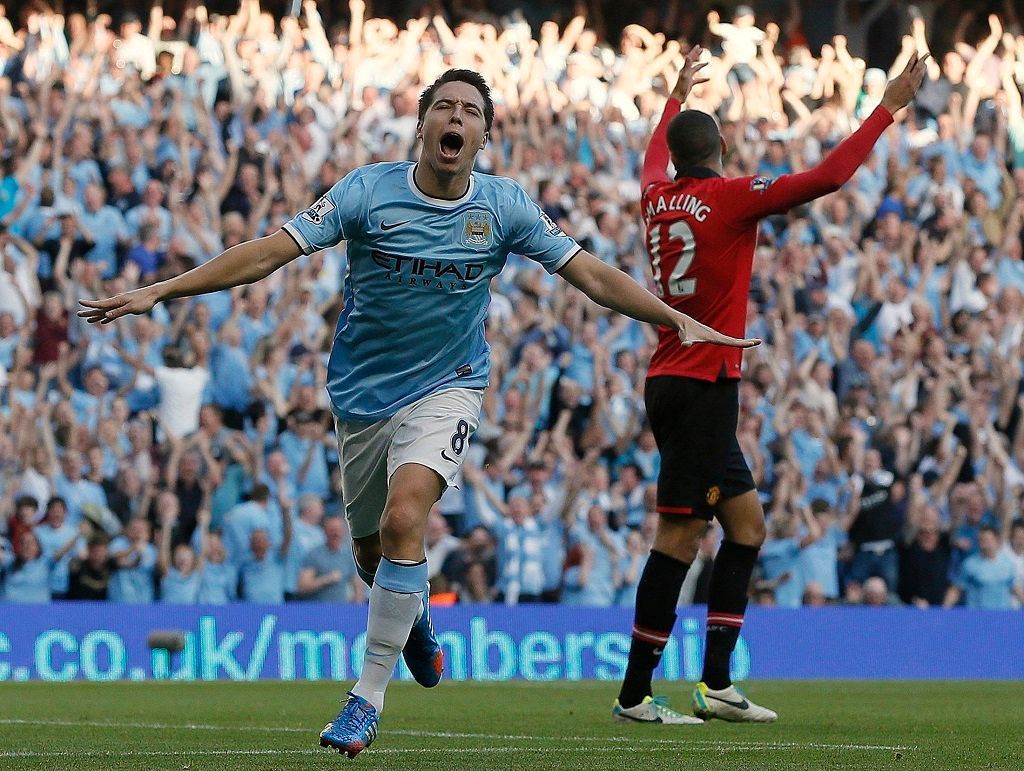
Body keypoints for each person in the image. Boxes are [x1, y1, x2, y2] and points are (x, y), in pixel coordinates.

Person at [79, 67, 757, 756]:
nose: (455, 118)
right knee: (375, 554)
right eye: (444, 107)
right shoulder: (366, 191)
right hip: (361, 396)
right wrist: (161, 290)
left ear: (484, 134)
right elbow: (265, 255)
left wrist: (672, 317)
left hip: (450, 385)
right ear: (424, 123)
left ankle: (363, 699)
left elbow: (588, 273)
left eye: (469, 109)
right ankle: (415, 618)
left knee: (406, 517)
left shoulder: (505, 206)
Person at [613, 46, 928, 725]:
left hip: (681, 377)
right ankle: (634, 694)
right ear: (721, 148)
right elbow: (830, 176)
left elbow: (649, 158)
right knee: (678, 539)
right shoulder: (728, 198)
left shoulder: (654, 198)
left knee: (748, 527)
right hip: (699, 384)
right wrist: (889, 107)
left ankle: (717, 683)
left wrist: (672, 97)